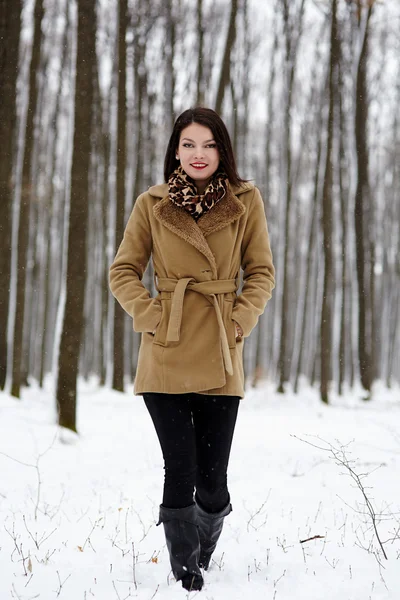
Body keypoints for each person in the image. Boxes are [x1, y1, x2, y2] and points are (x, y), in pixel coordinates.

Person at [109, 107, 275, 591]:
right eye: (188, 145)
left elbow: (261, 272)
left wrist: (239, 321)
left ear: (222, 150)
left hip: (223, 350)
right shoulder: (152, 202)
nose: (197, 154)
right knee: (179, 466)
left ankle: (201, 547)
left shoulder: (246, 200)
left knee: (213, 479)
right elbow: (123, 271)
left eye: (207, 145)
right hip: (168, 348)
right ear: (175, 150)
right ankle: (186, 566)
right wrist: (155, 316)